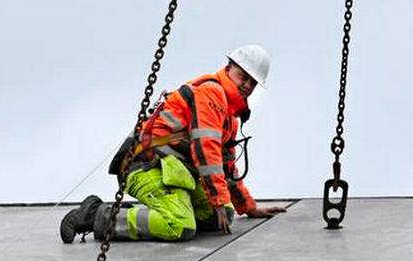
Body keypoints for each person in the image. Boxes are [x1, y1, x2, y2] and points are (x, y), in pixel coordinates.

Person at [61, 44, 285, 243]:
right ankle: (97, 215)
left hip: (173, 171)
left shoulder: (230, 118)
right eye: (242, 76)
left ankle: (166, 208)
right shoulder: (212, 94)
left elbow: (225, 167)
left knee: (222, 215)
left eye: (252, 82)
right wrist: (217, 197)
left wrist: (247, 206)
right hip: (145, 166)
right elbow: (206, 152)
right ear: (228, 68)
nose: (246, 84)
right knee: (179, 225)